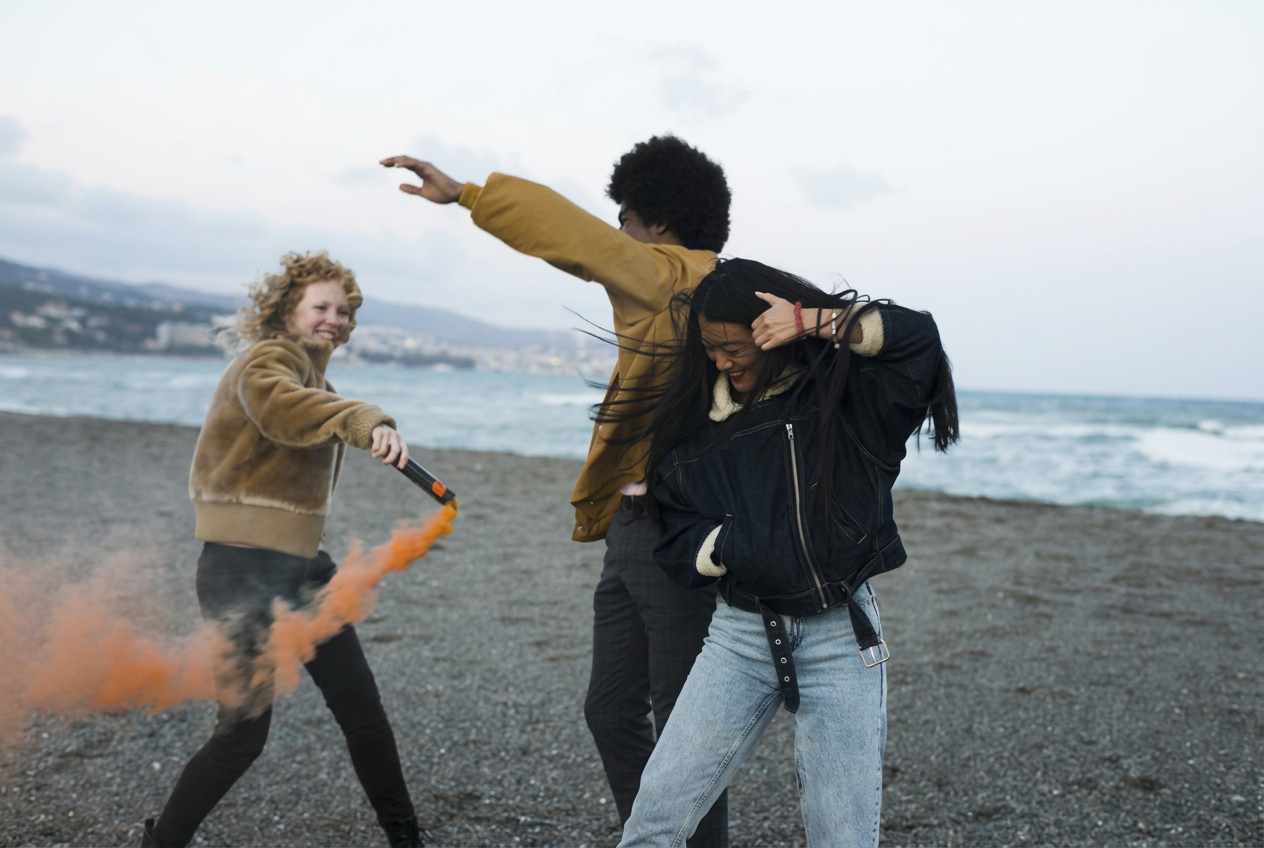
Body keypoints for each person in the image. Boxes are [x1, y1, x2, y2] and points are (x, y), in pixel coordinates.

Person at [381, 136, 732, 845]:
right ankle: (653, 835)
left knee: (681, 726)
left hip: (670, 529)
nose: (619, 233)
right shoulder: (708, 283)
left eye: (627, 218)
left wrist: (470, 196)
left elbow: (573, 238)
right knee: (611, 710)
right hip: (630, 527)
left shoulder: (669, 275)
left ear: (657, 220)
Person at [611, 258, 959, 847]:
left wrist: (815, 320)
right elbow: (674, 534)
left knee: (841, 840)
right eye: (709, 349)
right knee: (653, 824)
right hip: (739, 636)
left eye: (731, 345)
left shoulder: (850, 400)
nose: (720, 360)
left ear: (770, 329)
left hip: (841, 640)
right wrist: (735, 546)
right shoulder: (699, 429)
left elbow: (918, 338)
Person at [142, 252, 425, 848]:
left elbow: (310, 408)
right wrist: (365, 419)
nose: (334, 319)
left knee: (363, 716)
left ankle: (407, 839)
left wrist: (350, 413)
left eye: (343, 311)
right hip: (241, 569)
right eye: (320, 307)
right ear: (287, 309)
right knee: (241, 737)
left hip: (303, 571)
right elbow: (282, 412)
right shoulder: (268, 362)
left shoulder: (318, 380)